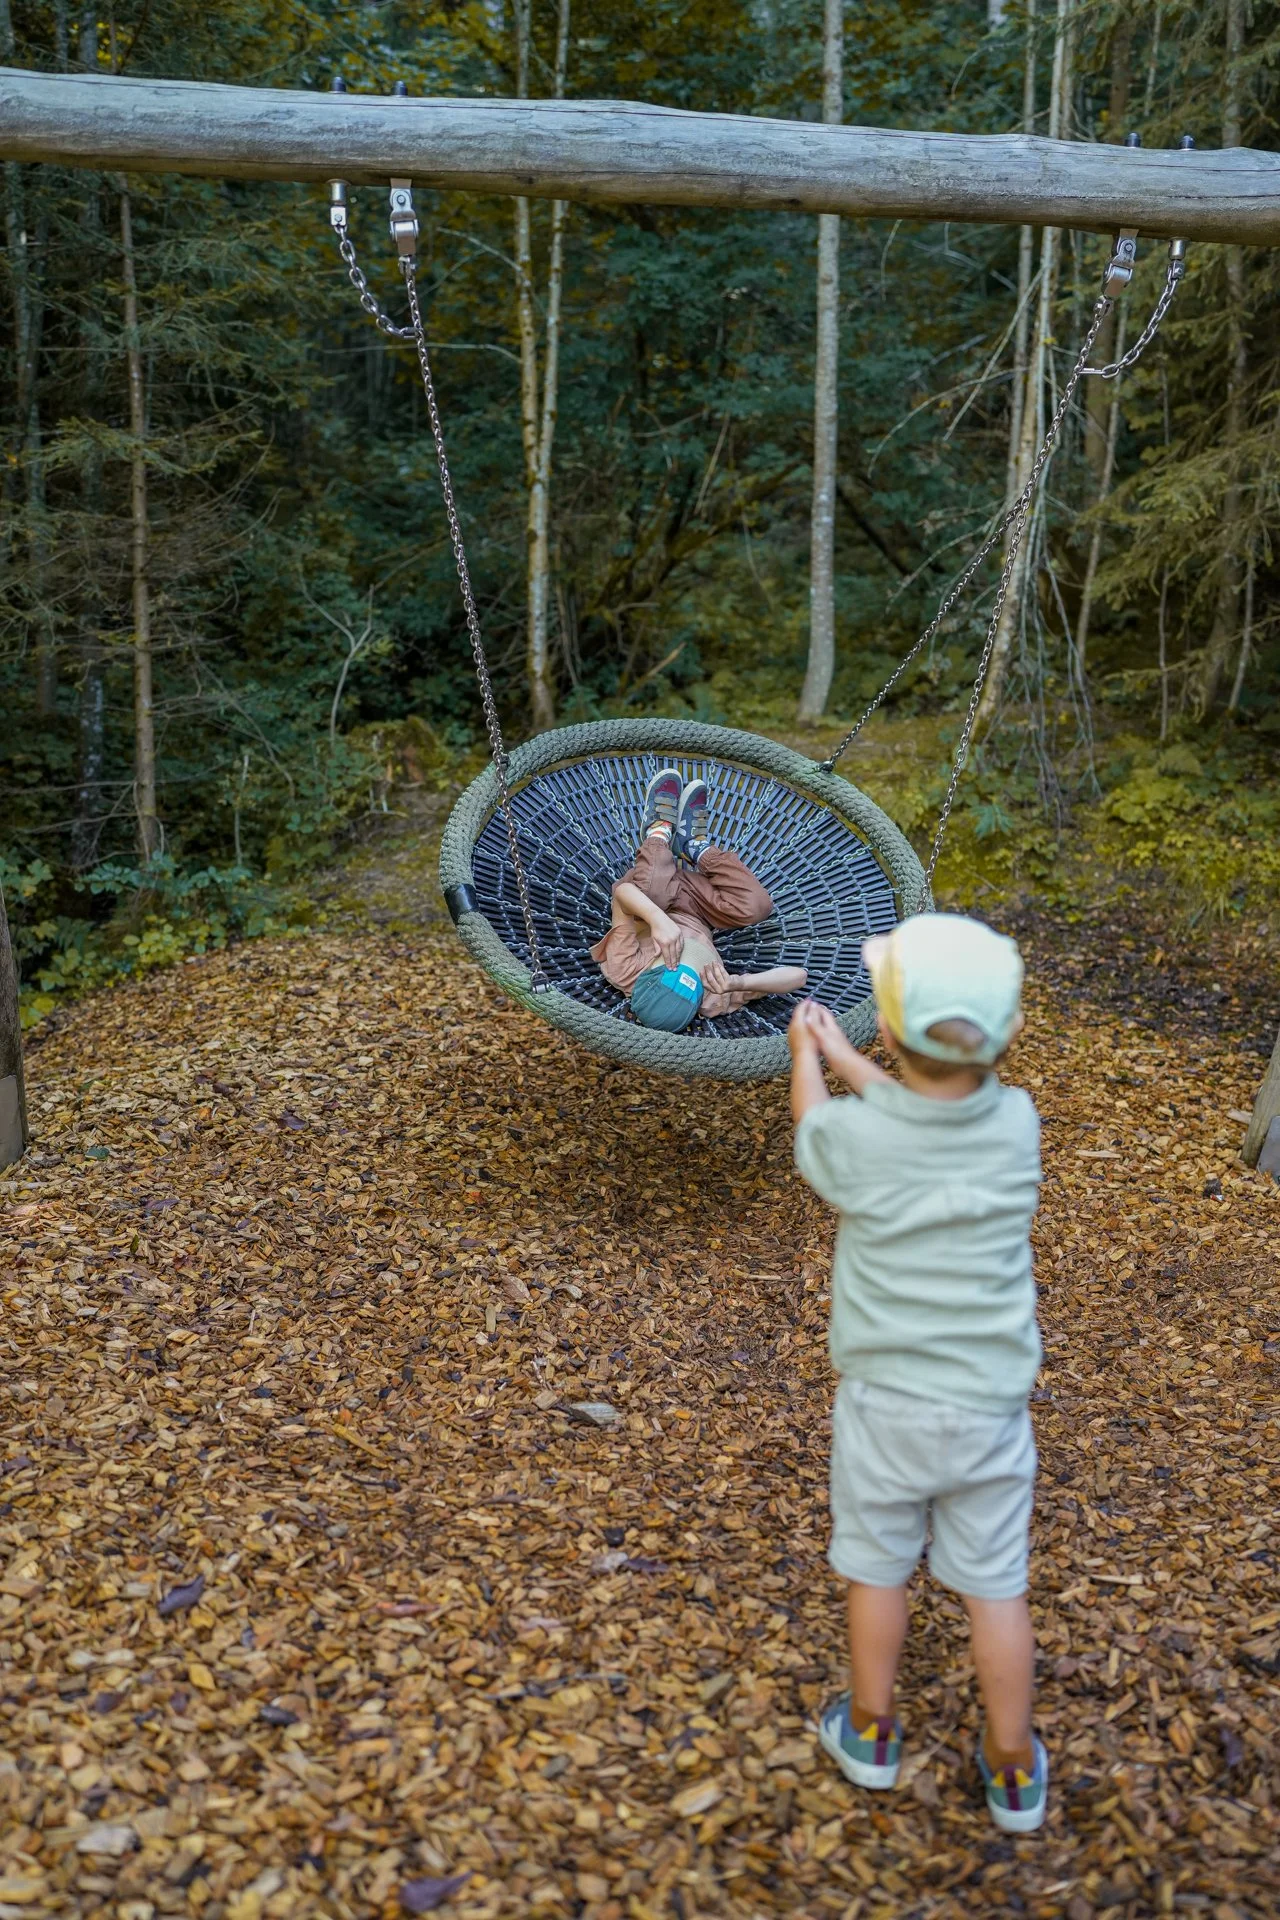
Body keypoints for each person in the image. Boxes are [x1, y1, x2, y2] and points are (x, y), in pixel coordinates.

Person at [787, 913, 1047, 1834]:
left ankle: (870, 1732)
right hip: (989, 1408)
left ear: (890, 1033)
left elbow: (820, 1129)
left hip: (886, 1404)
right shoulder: (1016, 1123)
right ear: (1010, 1034)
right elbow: (923, 1111)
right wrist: (846, 1055)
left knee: (880, 1570)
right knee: (995, 1585)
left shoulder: (861, 1146)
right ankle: (1012, 1770)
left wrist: (809, 1057)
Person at [591, 768, 807, 1031]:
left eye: (671, 963)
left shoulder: (625, 970)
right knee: (757, 906)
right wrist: (738, 983)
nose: (682, 959)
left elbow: (623, 894)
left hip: (650, 897)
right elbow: (798, 977)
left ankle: (659, 831)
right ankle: (692, 846)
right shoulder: (713, 998)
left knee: (653, 888)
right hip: (699, 909)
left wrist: (657, 920)